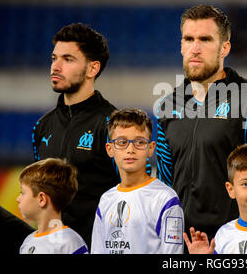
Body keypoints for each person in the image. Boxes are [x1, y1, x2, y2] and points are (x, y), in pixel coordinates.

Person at [155, 4, 247, 240]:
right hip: (182, 243)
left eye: (205, 39)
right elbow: (164, 184)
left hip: (234, 242)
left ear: (225, 48)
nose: (195, 48)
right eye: (189, 39)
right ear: (181, 45)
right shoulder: (167, 105)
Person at [31, 23, 119, 248]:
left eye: (67, 59)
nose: (55, 67)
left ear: (92, 69)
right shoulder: (42, 126)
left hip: (97, 247)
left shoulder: (113, 124)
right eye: (54, 58)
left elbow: (133, 193)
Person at [91, 109, 184, 254]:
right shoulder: (105, 200)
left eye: (140, 142)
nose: (130, 149)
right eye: (122, 142)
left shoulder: (165, 198)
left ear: (151, 148)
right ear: (109, 149)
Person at [17, 158, 88, 254]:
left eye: (23, 192)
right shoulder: (28, 242)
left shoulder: (70, 243)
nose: (18, 199)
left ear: (42, 199)